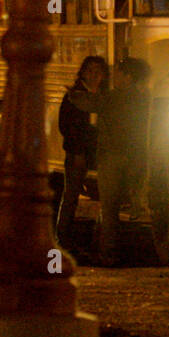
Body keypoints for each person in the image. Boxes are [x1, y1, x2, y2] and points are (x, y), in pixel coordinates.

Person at [70, 57, 152, 264]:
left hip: (112, 155)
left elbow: (86, 103)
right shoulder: (145, 96)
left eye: (117, 72)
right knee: (137, 203)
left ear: (127, 76)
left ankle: (109, 253)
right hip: (137, 155)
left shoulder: (115, 97)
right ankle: (141, 251)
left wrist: (72, 92)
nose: (113, 76)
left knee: (110, 206)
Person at [56, 55, 107, 240]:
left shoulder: (103, 96)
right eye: (90, 71)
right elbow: (65, 126)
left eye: (98, 72)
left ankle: (94, 235)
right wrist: (77, 149)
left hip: (97, 152)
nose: (94, 75)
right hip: (78, 153)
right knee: (71, 195)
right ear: (83, 73)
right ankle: (63, 235)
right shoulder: (73, 97)